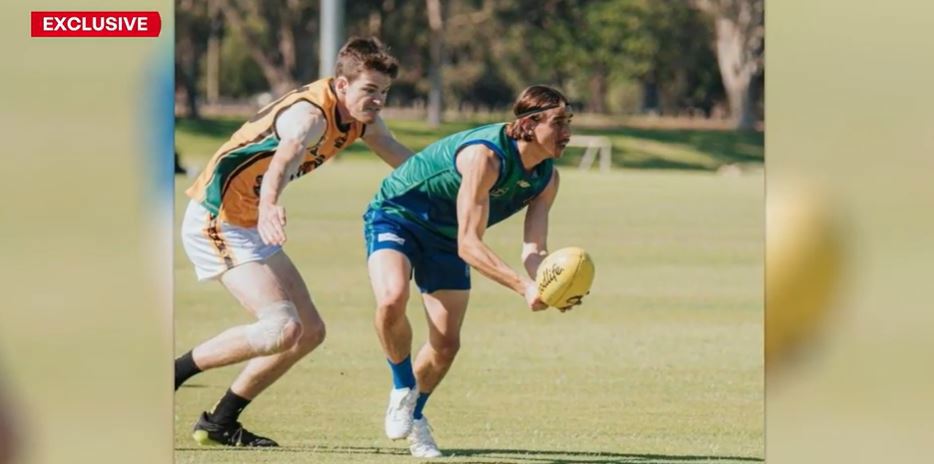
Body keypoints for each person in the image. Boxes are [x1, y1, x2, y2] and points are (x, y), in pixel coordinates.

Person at [174, 37, 413, 447]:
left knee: (309, 332)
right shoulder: (309, 115)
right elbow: (287, 154)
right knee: (282, 327)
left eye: (384, 92)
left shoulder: (362, 119)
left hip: (251, 223)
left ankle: (220, 422)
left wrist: (457, 185)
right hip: (218, 219)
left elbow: (396, 154)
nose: (377, 101)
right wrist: (269, 204)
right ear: (341, 84)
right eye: (369, 90)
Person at [363, 85, 580, 458]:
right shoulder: (485, 156)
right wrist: (523, 289)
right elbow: (470, 244)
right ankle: (402, 387)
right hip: (399, 216)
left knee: (446, 343)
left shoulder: (547, 178)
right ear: (529, 125)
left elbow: (534, 249)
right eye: (558, 122)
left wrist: (550, 285)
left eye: (568, 122)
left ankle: (414, 416)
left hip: (447, 237)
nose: (567, 133)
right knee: (392, 297)